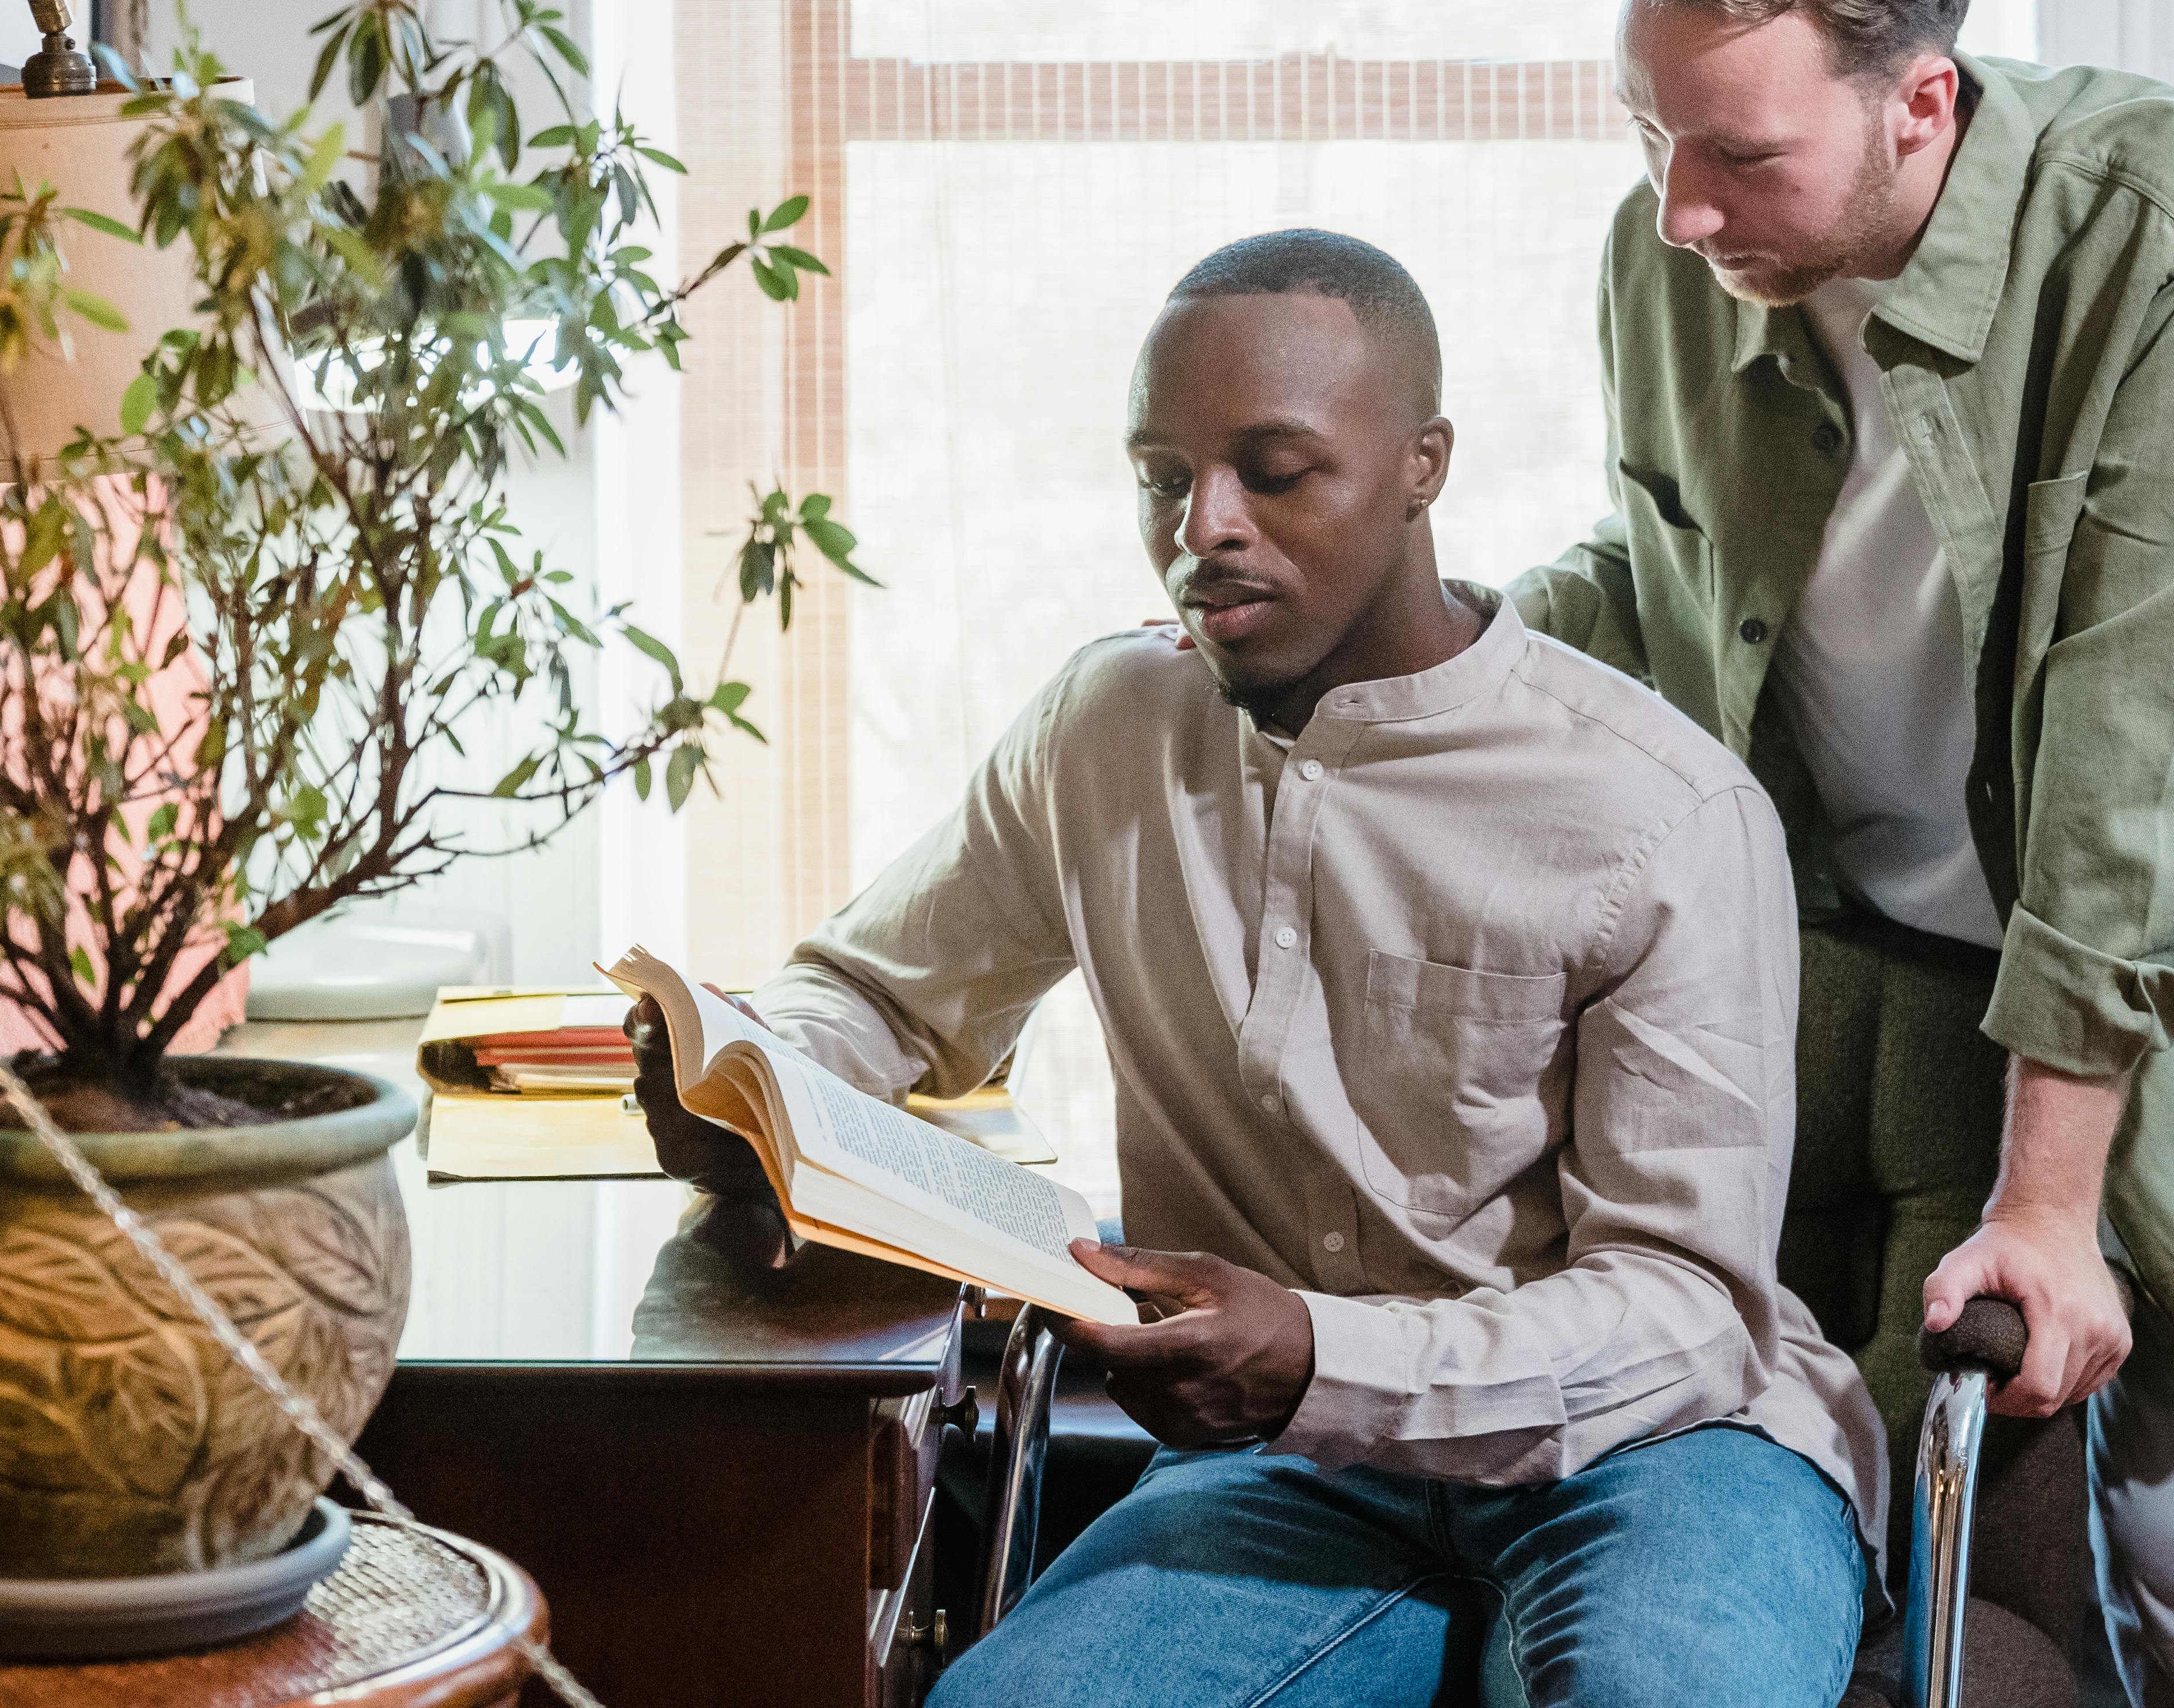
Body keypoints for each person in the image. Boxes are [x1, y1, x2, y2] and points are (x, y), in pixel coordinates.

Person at [633, 229, 1888, 1708]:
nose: (1202, 526)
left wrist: (1314, 1354)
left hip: (1669, 1454)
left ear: (1423, 463)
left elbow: (1685, 1315)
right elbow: (870, 986)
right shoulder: (1105, 728)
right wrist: (758, 1083)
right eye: (1162, 477)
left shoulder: (1661, 808)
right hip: (1292, 1473)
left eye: (1274, 472)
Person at [1510, 0, 2174, 1707]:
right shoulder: (1676, 253)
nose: (1680, 210)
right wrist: (1420, 643)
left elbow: (2152, 762)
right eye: (1650, 135)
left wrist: (2054, 1206)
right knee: (1868, 1520)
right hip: (1883, 945)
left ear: (1922, 105)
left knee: (2172, 1523)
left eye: (1737, 152)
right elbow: (1656, 575)